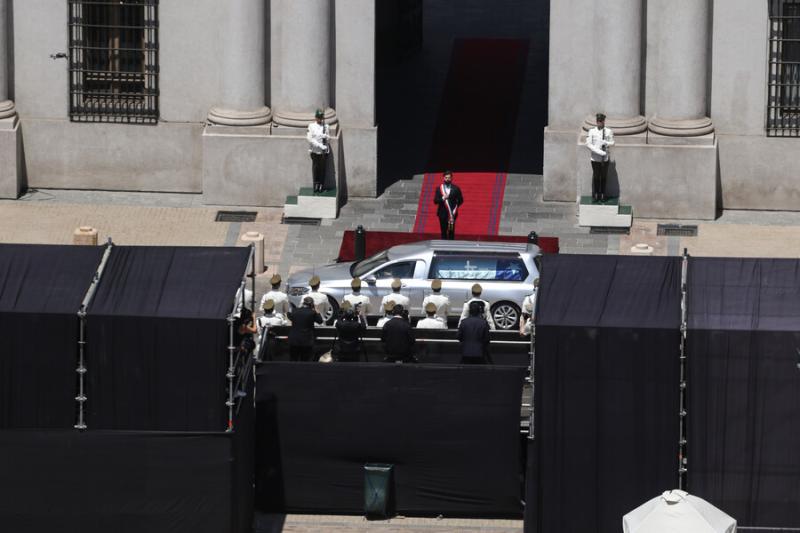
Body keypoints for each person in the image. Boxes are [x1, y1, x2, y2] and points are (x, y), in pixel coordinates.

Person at [586, 112, 615, 203]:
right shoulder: (592, 131)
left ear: (603, 121)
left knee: (603, 176)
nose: (599, 122)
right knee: (596, 176)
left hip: (604, 158)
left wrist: (606, 143)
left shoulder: (608, 131)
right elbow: (588, 144)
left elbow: (613, 142)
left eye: (601, 121)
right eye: (598, 121)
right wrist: (598, 152)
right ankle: (596, 194)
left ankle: (602, 193)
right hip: (595, 158)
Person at [287, 296, 323, 362]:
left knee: (293, 360)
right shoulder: (312, 313)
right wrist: (317, 311)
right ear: (312, 304)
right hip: (306, 341)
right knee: (304, 361)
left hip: (293, 340)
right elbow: (320, 321)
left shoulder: (295, 311)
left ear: (303, 303)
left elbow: (289, 315)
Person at [433, 170, 464, 239]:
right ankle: (442, 248)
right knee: (443, 232)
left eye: (449, 177)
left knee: (451, 232)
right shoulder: (439, 189)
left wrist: (455, 207)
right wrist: (443, 198)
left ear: (451, 178)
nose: (447, 179)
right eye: (446, 177)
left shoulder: (456, 189)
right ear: (443, 178)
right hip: (442, 214)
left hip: (451, 215)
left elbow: (461, 200)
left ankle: (451, 248)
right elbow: (435, 201)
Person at [307, 108, 330, 193]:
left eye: (321, 118)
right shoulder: (311, 126)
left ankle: (321, 185)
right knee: (316, 168)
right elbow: (310, 139)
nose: (320, 119)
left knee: (323, 169)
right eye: (318, 117)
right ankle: (316, 184)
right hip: (315, 151)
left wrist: (326, 137)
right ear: (316, 117)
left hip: (324, 152)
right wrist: (320, 145)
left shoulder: (326, 126)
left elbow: (328, 138)